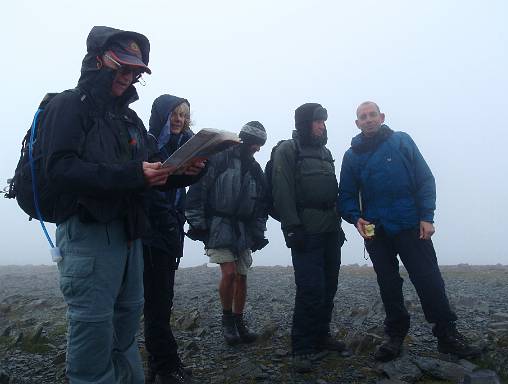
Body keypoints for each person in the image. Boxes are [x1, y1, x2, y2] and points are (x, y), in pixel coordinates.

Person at [39, 26, 204, 384]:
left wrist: (185, 173)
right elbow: (60, 169)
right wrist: (135, 175)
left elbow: (148, 174)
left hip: (131, 236)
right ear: (99, 60)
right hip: (88, 235)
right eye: (123, 68)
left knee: (126, 328)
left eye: (135, 73)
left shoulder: (128, 119)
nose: (128, 78)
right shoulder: (68, 106)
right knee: (94, 328)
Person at [338, 101, 481, 362]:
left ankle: (447, 335)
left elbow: (424, 179)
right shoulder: (352, 155)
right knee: (389, 285)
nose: (368, 119)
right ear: (356, 123)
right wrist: (355, 218)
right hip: (376, 231)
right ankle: (394, 336)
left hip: (410, 225)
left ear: (382, 117)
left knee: (429, 279)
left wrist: (427, 216)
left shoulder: (401, 141)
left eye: (372, 115)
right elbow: (346, 195)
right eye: (362, 117)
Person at [271, 103, 346, 373]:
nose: (322, 125)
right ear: (304, 123)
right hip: (306, 232)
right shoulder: (288, 150)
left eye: (324, 121)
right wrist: (292, 227)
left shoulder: (325, 152)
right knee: (310, 289)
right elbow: (282, 191)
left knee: (329, 286)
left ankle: (321, 335)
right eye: (317, 121)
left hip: (330, 230)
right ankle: (302, 346)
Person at [185, 121, 269, 346]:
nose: (257, 148)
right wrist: (198, 224)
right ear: (245, 139)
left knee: (242, 276)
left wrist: (258, 233)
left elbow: (261, 204)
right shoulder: (219, 158)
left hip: (243, 229)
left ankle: (239, 322)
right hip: (218, 224)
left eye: (260, 145)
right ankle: (227, 320)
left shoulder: (255, 169)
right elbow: (198, 189)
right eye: (255, 143)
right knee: (229, 273)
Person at [143, 95, 198, 384]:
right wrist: (166, 222)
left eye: (184, 115)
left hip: (170, 230)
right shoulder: (149, 143)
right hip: (152, 234)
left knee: (163, 299)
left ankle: (162, 362)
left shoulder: (184, 147)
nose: (179, 119)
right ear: (162, 116)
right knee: (157, 301)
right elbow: (150, 190)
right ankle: (163, 366)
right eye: (174, 114)